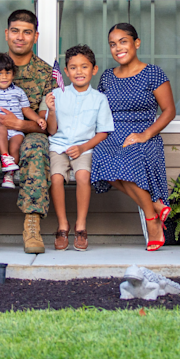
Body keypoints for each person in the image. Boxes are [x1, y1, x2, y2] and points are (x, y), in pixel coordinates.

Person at [0, 9, 56, 253]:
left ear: (35, 37)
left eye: (27, 33)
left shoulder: (46, 74)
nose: (20, 37)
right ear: (7, 34)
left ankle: (32, 226)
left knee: (37, 147)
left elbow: (49, 123)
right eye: (15, 31)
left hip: (30, 133)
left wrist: (19, 125)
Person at [91, 23, 176, 251]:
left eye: (123, 41)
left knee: (128, 160)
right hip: (111, 135)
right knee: (100, 158)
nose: (117, 47)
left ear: (136, 43)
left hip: (144, 135)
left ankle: (153, 223)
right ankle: (155, 209)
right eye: (112, 44)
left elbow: (169, 111)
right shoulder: (108, 77)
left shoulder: (153, 73)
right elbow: (98, 110)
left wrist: (144, 135)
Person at [43, 45, 114, 251]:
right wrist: (52, 111)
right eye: (73, 68)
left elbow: (103, 131)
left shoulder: (99, 99)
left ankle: (81, 226)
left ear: (94, 69)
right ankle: (63, 225)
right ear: (65, 72)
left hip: (85, 147)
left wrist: (83, 148)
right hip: (58, 146)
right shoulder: (56, 95)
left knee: (83, 176)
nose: (79, 72)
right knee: (56, 177)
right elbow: (51, 130)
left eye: (84, 67)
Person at [0, 51, 47, 189]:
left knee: (16, 146)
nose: (4, 77)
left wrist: (38, 118)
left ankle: (9, 176)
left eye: (8, 73)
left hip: (16, 130)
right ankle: (4, 156)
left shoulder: (18, 92)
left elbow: (26, 109)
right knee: (1, 129)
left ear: (13, 74)